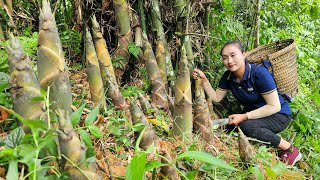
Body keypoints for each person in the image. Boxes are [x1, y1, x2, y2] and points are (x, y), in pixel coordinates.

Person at [192, 40, 302, 166]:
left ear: (243, 54)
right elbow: (216, 97)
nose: (229, 61)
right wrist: (204, 80)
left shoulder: (259, 74)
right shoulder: (228, 77)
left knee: (246, 127)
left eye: (233, 55)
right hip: (257, 113)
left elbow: (274, 106)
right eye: (225, 58)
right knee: (230, 126)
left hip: (279, 115)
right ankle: (268, 144)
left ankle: (290, 149)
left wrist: (244, 117)